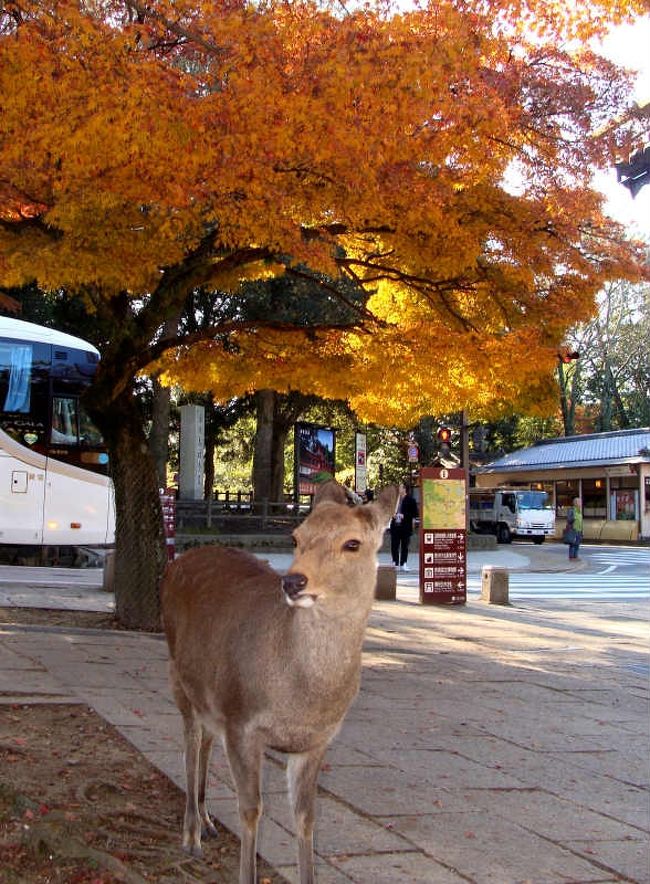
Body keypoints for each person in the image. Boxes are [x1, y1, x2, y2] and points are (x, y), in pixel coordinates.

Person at [390, 482, 419, 571]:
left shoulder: (411, 500)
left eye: (401, 487)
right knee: (394, 545)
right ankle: (395, 562)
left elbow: (415, 513)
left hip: (405, 526)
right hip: (395, 525)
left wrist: (404, 515)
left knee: (404, 546)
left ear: (405, 489)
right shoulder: (395, 499)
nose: (399, 489)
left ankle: (403, 563)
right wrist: (392, 514)